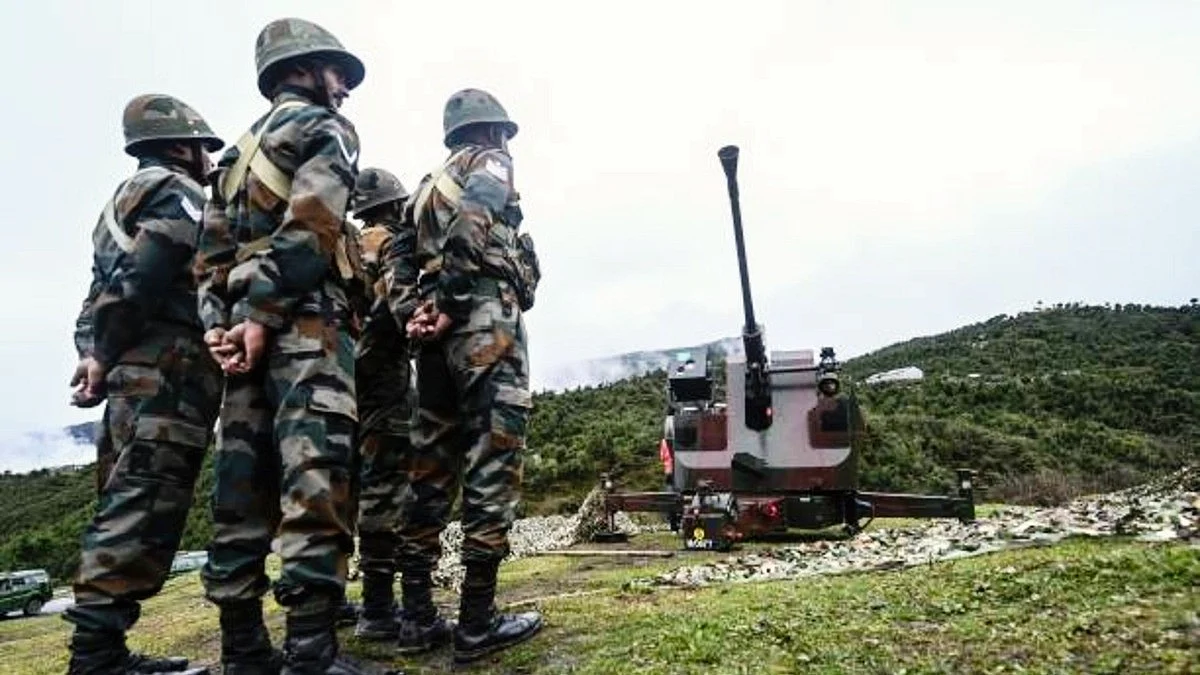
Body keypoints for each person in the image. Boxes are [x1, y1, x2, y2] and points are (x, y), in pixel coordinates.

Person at [193, 17, 374, 675]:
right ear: (303, 69)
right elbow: (314, 226)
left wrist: (222, 323)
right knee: (314, 481)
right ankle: (312, 653)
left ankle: (244, 651)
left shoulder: (235, 158)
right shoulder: (323, 130)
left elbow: (207, 259)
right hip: (301, 330)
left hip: (239, 341)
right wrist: (266, 314)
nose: (346, 88)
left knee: (240, 493)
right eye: (338, 73)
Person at [66, 93, 224, 675]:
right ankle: (98, 659)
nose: (210, 160)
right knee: (144, 501)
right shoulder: (176, 190)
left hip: (130, 371)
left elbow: (98, 291)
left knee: (125, 494)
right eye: (205, 149)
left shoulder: (117, 204)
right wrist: (103, 349)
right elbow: (150, 268)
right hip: (167, 369)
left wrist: (93, 353)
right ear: (183, 145)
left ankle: (103, 651)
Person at [400, 88, 542, 664]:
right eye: (504, 134)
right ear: (493, 133)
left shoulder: (421, 190)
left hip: (434, 341)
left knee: (430, 469)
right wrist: (456, 300)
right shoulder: (490, 164)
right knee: (494, 459)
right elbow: (476, 222)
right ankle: (477, 625)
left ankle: (415, 619)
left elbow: (399, 262)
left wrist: (421, 310)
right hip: (482, 326)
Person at [345, 167, 422, 642]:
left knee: (343, 490)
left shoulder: (347, 243)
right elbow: (401, 303)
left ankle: (333, 597)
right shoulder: (393, 243)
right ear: (396, 205)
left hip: (338, 384)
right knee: (386, 489)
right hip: (383, 385)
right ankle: (377, 608)